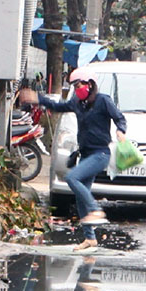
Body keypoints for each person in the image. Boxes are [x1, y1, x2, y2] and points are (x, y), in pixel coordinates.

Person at [20, 67, 126, 251]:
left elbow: (119, 117)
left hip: (100, 154)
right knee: (79, 197)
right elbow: (59, 106)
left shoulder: (103, 101)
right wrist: (38, 99)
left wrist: (120, 131)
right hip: (85, 154)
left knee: (72, 178)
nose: (77, 89)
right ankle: (90, 239)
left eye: (80, 85)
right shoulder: (77, 102)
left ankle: (95, 209)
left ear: (90, 85)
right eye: (75, 86)